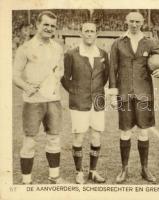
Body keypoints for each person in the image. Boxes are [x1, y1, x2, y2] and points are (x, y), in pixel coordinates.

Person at [109, 11, 159, 184]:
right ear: (126, 21)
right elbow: (112, 70)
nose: (134, 24)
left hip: (144, 94)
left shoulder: (149, 42)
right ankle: (124, 169)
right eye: (131, 21)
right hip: (124, 93)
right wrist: (113, 94)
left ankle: (145, 169)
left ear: (143, 22)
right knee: (125, 132)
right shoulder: (117, 43)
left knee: (144, 131)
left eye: (138, 21)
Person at [13, 11, 65, 184]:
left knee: (54, 138)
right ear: (37, 25)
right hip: (33, 101)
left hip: (53, 100)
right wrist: (28, 87)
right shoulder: (25, 48)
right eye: (46, 25)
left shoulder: (57, 47)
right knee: (30, 141)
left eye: (52, 26)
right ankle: (26, 180)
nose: (49, 28)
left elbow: (60, 71)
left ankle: (54, 176)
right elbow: (15, 75)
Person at [61, 22, 109, 184]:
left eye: (92, 31)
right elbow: (65, 79)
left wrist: (95, 92)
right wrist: (76, 92)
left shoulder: (102, 53)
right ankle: (79, 171)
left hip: (98, 101)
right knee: (79, 137)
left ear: (97, 34)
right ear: (81, 33)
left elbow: (105, 77)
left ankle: (93, 171)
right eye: (86, 31)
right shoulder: (71, 54)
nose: (89, 34)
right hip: (79, 102)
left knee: (96, 136)